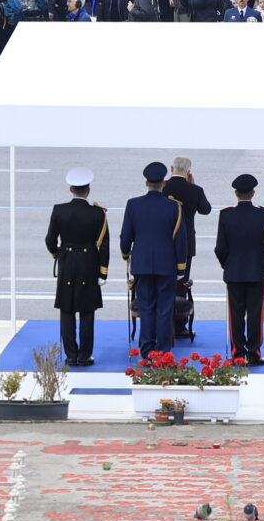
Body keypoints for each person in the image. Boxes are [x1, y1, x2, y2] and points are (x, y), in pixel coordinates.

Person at [120, 161, 188, 355]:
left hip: (142, 265)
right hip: (166, 265)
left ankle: (147, 350)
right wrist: (181, 268)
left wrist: (126, 254)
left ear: (146, 183)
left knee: (146, 308)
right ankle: (163, 351)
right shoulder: (174, 207)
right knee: (164, 309)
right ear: (163, 184)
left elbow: (126, 237)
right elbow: (180, 240)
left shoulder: (133, 204)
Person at [45, 167, 109, 366]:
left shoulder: (59, 210)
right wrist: (103, 272)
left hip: (67, 261)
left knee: (67, 309)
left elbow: (50, 240)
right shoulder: (98, 213)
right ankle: (85, 355)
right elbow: (104, 245)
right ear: (88, 191)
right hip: (89, 262)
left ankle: (71, 355)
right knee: (87, 310)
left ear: (70, 189)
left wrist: (58, 254)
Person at [214, 173, 264, 366]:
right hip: (256, 272)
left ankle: (238, 353)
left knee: (236, 315)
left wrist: (227, 264)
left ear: (236, 193)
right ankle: (254, 353)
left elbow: (220, 248)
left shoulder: (226, 215)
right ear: (253, 193)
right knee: (256, 315)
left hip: (234, 272)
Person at [162, 157, 211, 282]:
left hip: (164, 238)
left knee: (163, 281)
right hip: (186, 241)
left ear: (171, 168)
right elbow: (205, 210)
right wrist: (193, 185)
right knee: (182, 282)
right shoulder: (196, 190)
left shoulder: (162, 186)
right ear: (188, 172)